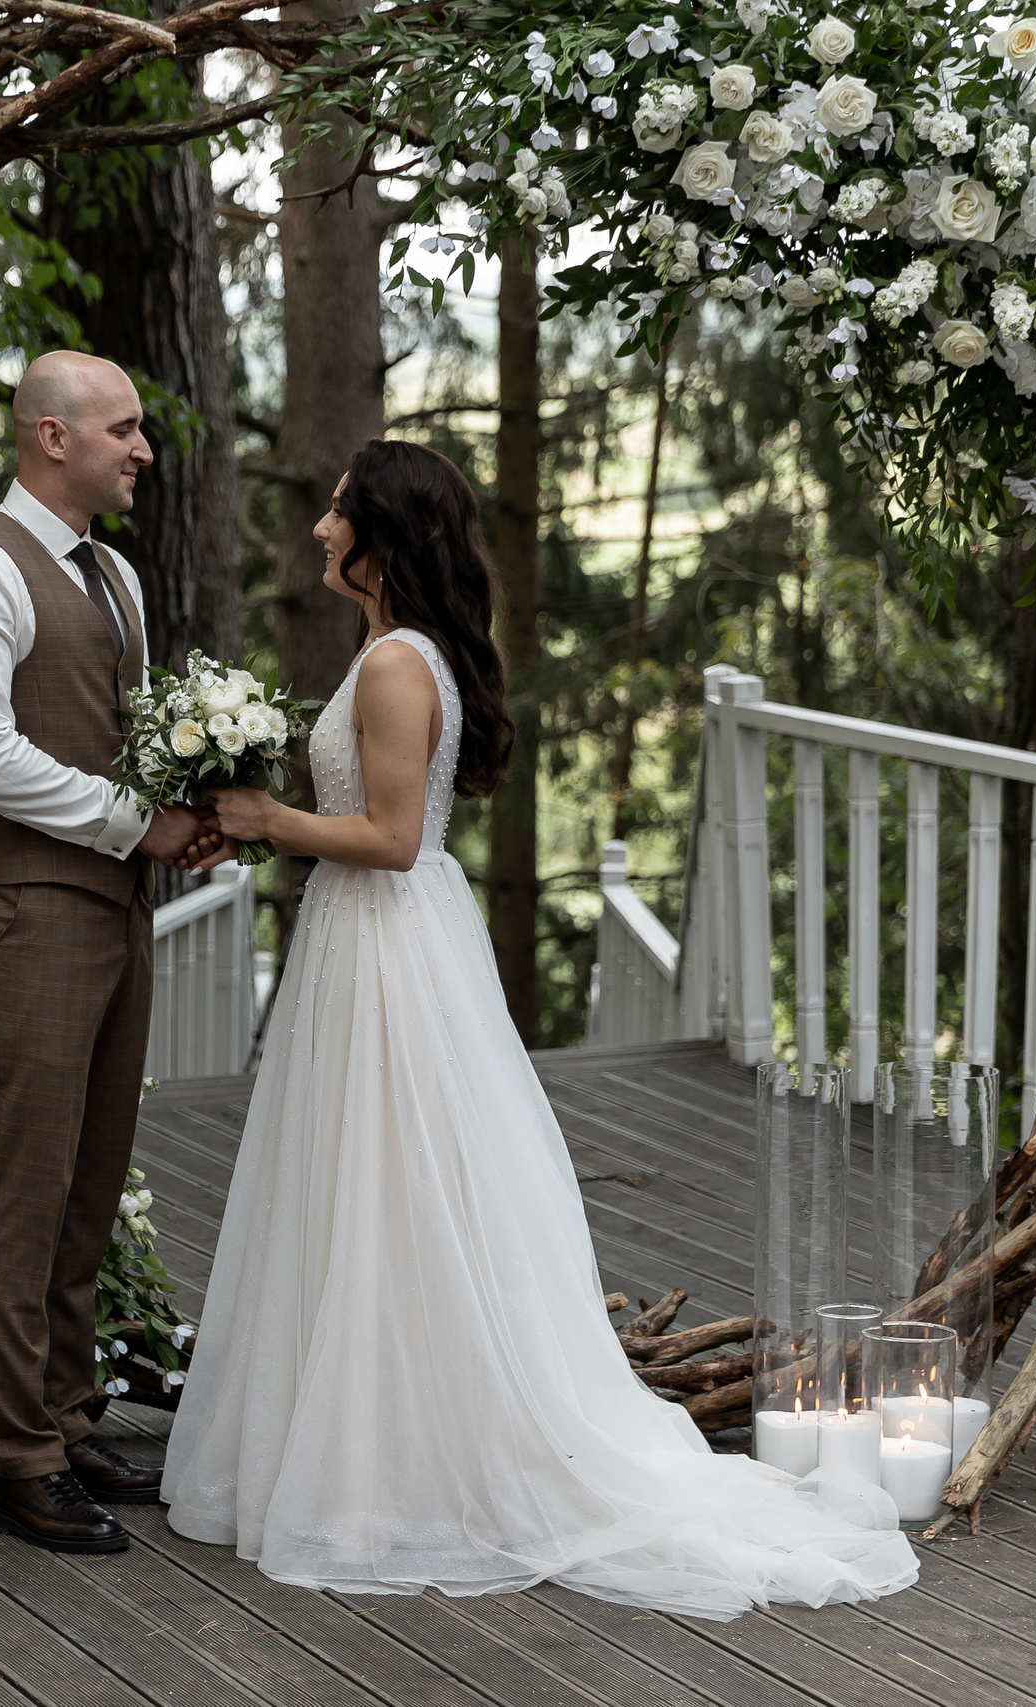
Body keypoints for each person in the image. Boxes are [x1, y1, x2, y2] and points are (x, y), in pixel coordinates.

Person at [160, 440, 918, 1616]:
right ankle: (359, 1449)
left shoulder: (396, 666)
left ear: (380, 534)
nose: (316, 526)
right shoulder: (390, 651)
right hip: (373, 940)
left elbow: (394, 838)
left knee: (390, 1186)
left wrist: (269, 818)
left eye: (334, 508)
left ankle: (383, 1474)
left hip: (386, 934)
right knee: (366, 1187)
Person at [0, 352, 219, 1554]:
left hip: (116, 903)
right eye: (124, 430)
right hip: (28, 908)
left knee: (92, 1177)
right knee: (29, 1183)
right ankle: (18, 1457)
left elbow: (115, 730)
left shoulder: (119, 576)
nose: (143, 449)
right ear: (52, 436)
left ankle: (67, 1408)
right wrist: (133, 821)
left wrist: (192, 809)